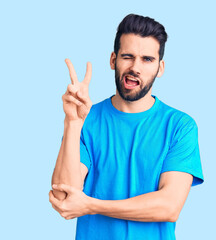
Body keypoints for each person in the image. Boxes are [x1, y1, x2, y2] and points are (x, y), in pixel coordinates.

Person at [49, 13, 204, 240]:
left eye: (147, 59)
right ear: (113, 60)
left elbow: (169, 206)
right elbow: (64, 198)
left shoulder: (180, 126)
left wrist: (91, 205)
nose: (135, 67)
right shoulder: (86, 120)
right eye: (127, 57)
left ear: (160, 68)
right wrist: (72, 122)